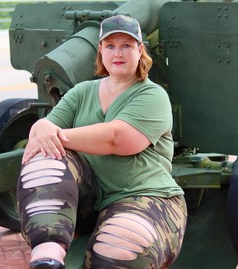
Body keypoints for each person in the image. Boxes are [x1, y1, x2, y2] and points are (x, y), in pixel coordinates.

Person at [17, 14, 187, 269]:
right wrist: (40, 126)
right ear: (101, 51)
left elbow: (117, 139)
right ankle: (47, 256)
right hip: (91, 193)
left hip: (146, 196)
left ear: (140, 50)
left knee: (121, 246)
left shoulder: (153, 95)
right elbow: (46, 130)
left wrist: (55, 134)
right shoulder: (82, 92)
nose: (118, 53)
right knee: (44, 159)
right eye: (110, 46)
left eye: (126, 46)